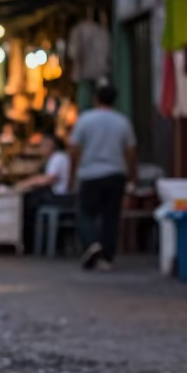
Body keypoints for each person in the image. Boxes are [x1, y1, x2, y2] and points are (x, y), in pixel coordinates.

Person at [69, 83, 137, 271]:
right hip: (116, 173)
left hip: (90, 173)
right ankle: (107, 256)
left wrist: (71, 175)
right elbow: (130, 151)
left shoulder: (85, 120)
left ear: (95, 99)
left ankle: (92, 243)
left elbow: (74, 149)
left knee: (85, 212)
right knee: (111, 216)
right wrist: (132, 176)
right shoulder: (122, 121)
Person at [17, 132, 73, 254]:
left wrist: (26, 183)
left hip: (59, 197)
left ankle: (31, 245)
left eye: (43, 145)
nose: (41, 148)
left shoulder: (58, 158)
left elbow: (49, 179)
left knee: (28, 204)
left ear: (51, 145)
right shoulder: (58, 158)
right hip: (60, 196)